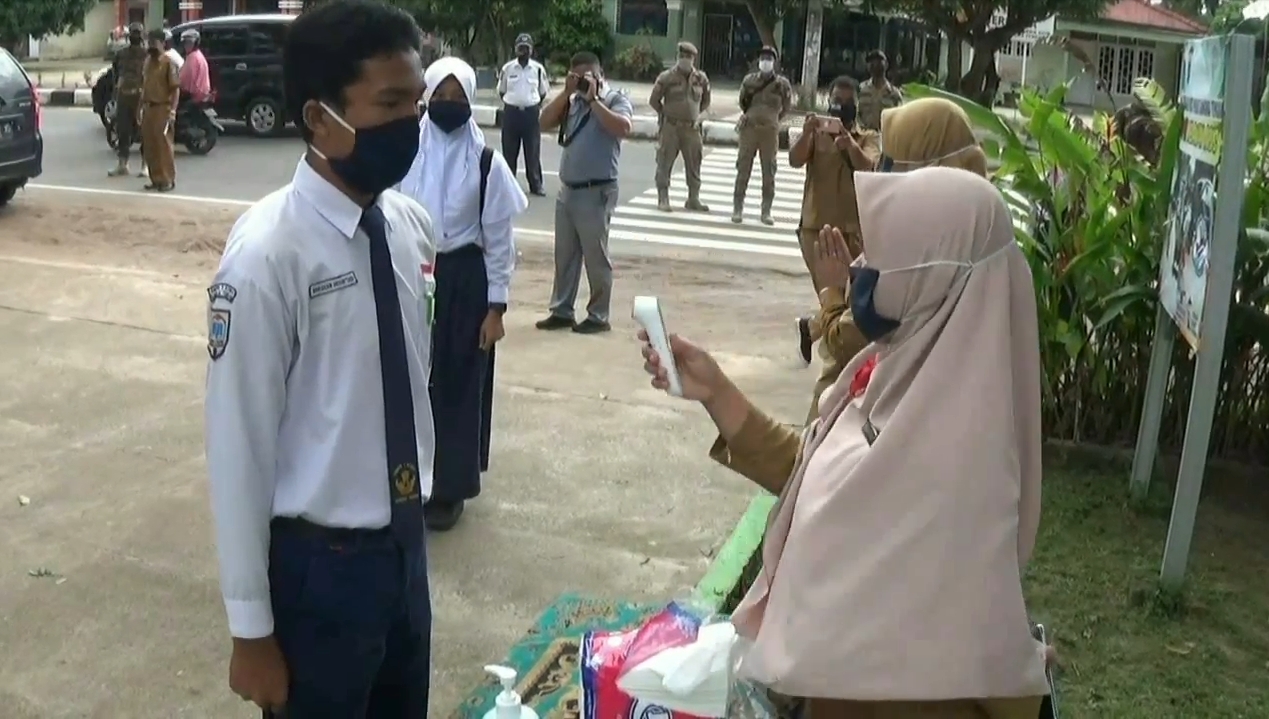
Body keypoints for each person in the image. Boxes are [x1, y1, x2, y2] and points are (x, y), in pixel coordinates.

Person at [638, 166, 1050, 719]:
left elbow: (989, 657)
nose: (859, 267)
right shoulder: (896, 378)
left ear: (939, 279)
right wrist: (715, 391)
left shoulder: (959, 470)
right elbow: (817, 474)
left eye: (884, 254)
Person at [203, 1, 434, 716]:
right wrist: (250, 629)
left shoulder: (404, 226)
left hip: (402, 552)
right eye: (389, 104)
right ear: (318, 119)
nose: (410, 125)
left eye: (416, 102)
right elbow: (237, 445)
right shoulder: (268, 254)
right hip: (318, 574)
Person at [400, 57, 527, 531]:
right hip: (412, 273)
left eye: (458, 98)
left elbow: (499, 244)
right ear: (426, 97)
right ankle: (408, 481)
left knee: (455, 382)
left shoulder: (487, 164)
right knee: (409, 381)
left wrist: (496, 308)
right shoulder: (405, 150)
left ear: (471, 102)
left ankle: (448, 489)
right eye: (440, 96)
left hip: (463, 280)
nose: (448, 105)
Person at [800, 97, 988, 418]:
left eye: (892, 160)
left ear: (925, 165)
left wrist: (832, 291)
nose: (882, 171)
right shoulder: (975, 228)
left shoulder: (917, 251)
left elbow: (848, 341)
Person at [535, 52, 633, 335]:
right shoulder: (572, 100)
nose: (584, 82)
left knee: (595, 256)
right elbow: (543, 122)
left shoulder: (615, 98)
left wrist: (594, 101)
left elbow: (623, 127)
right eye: (578, 77)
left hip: (597, 189)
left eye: (589, 76)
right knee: (564, 255)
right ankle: (562, 310)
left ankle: (598, 314)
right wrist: (568, 93)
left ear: (600, 74)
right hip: (569, 190)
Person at [788, 77, 878, 372]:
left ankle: (813, 330)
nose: (840, 107)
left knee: (851, 300)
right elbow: (795, 159)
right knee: (831, 295)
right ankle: (833, 357)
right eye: (836, 101)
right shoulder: (816, 136)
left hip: (852, 230)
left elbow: (870, 167)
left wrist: (848, 144)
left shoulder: (866, 138)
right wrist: (806, 134)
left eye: (847, 102)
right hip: (816, 226)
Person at [732, 45, 792, 225]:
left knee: (769, 171)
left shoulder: (782, 84)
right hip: (749, 129)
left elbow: (786, 107)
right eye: (763, 58)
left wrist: (773, 119)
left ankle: (766, 211)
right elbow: (743, 101)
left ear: (774, 62)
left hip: (770, 131)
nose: (765, 61)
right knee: (743, 168)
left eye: (769, 58)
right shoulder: (749, 81)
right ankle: (737, 208)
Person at [649, 41, 711, 213]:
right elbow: (654, 100)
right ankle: (663, 197)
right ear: (678, 57)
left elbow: (706, 101)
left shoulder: (701, 78)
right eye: (682, 56)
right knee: (664, 161)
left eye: (689, 57)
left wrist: (699, 116)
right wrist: (664, 114)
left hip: (692, 128)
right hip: (671, 127)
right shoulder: (666, 77)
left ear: (694, 59)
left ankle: (693, 198)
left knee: (694, 163)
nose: (685, 59)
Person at [497, 33, 550, 197]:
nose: (523, 52)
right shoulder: (507, 68)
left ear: (531, 50)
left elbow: (543, 92)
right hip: (511, 114)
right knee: (509, 152)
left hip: (530, 115)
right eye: (521, 48)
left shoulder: (538, 69)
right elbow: (502, 90)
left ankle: (536, 185)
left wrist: (530, 104)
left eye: (526, 48)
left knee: (532, 151)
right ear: (515, 49)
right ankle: (508, 185)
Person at [140, 28, 180, 192]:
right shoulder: (148, 62)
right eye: (149, 41)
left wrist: (173, 112)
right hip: (148, 108)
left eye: (154, 41)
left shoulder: (168, 63)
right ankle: (155, 178)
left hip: (162, 108)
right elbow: (143, 86)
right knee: (150, 145)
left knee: (163, 145)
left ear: (163, 43)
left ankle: (168, 179)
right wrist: (139, 108)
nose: (151, 45)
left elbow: (175, 89)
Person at [108, 23, 147, 178]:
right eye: (133, 33)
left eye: (137, 33)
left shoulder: (147, 55)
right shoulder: (121, 54)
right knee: (123, 131)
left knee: (144, 133)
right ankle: (122, 164)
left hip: (141, 98)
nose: (135, 36)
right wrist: (114, 95)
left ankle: (145, 166)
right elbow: (115, 75)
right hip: (124, 96)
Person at [858, 49, 903, 132]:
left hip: (885, 137)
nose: (874, 64)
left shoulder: (894, 94)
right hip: (864, 137)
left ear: (886, 65)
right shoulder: (860, 90)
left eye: (879, 61)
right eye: (871, 62)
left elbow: (899, 120)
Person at [179, 28, 211, 104]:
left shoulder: (192, 57)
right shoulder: (197, 54)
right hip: (202, 95)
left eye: (188, 43)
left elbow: (185, 80)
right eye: (185, 43)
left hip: (195, 97)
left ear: (195, 43)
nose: (186, 46)